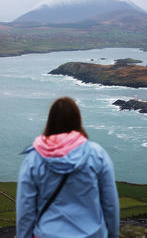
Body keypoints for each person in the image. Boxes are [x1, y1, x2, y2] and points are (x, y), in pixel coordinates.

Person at [16, 97, 119, 238]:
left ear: (50, 121)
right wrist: (112, 234)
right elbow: (110, 204)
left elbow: (25, 209)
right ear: (78, 120)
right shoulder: (97, 154)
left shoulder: (33, 159)